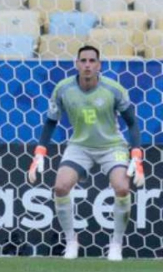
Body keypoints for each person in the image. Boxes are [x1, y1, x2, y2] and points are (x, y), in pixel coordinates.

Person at [28, 45, 145, 262]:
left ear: (99, 65)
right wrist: (40, 152)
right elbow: (50, 122)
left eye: (92, 61)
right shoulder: (63, 89)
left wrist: (136, 155)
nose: (88, 65)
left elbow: (132, 123)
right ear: (77, 64)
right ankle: (71, 240)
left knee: (122, 187)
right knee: (60, 187)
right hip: (79, 146)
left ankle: (116, 243)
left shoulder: (114, 89)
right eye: (83, 61)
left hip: (112, 146)